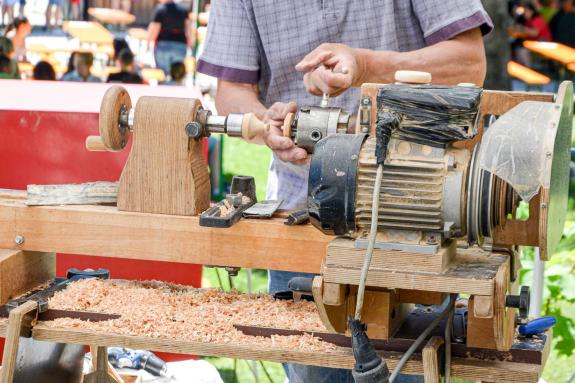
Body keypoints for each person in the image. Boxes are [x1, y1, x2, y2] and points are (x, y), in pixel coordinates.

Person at [198, 1, 491, 382]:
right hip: (302, 220)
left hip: (411, 215)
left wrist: (366, 67)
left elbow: (469, 63)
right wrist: (265, 124)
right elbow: (233, 91)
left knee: (406, 371)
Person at [147, 0, 192, 75]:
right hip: (180, 45)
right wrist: (191, 43)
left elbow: (154, 28)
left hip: (163, 45)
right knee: (177, 74)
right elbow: (189, 28)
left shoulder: (160, 9)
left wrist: (148, 43)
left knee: (163, 74)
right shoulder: (183, 9)